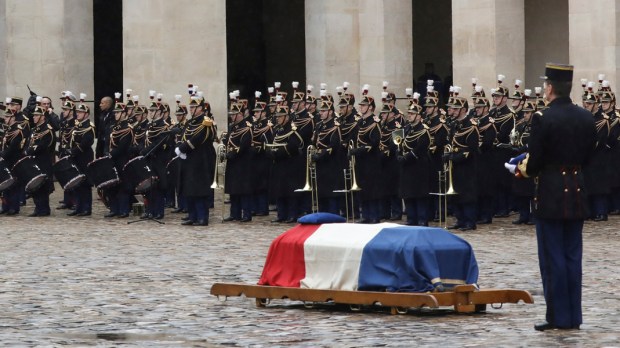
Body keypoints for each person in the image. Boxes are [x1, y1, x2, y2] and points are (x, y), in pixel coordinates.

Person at [516, 63, 596, 331]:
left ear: (550, 88)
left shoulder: (543, 117)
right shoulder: (586, 117)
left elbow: (535, 161)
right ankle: (573, 317)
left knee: (553, 258)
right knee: (573, 256)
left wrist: (522, 168)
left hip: (550, 193)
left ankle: (558, 317)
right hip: (576, 190)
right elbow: (588, 158)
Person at [67, 102, 95, 216]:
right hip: (76, 157)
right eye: (77, 112)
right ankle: (78, 207)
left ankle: (86, 208)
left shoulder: (89, 126)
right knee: (77, 183)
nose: (78, 114)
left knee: (85, 184)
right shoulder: (77, 125)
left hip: (84, 157)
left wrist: (73, 151)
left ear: (86, 114)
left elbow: (86, 142)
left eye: (80, 112)